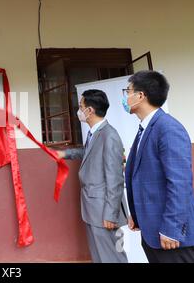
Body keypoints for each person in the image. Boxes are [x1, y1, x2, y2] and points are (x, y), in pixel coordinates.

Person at [123, 70, 194, 263]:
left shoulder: (168, 128)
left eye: (128, 91)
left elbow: (179, 182)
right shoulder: (146, 128)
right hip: (153, 230)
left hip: (171, 235)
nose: (125, 97)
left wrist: (172, 229)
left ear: (140, 96)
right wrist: (136, 214)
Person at [55, 89, 128, 263]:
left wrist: (111, 214)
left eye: (81, 106)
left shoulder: (109, 135)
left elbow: (115, 179)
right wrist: (65, 154)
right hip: (93, 208)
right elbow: (89, 153)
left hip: (104, 211)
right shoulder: (95, 133)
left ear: (90, 110)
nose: (78, 110)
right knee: (99, 256)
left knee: (111, 256)